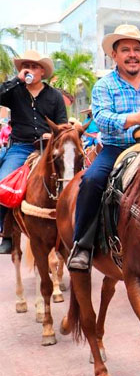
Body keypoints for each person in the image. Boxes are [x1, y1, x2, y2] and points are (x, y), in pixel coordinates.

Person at [66, 24, 140, 271]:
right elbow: (101, 118)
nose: (132, 55)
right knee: (91, 181)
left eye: (136, 50)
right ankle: (83, 245)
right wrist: (132, 119)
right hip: (116, 148)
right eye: (126, 50)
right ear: (114, 56)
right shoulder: (104, 85)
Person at [0, 50, 68, 253]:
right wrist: (16, 80)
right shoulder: (14, 91)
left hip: (49, 147)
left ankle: (73, 228)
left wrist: (53, 136)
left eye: (33, 66)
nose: (28, 69)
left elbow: (63, 124)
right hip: (21, 147)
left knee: (72, 179)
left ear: (42, 71)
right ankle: (8, 234)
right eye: (25, 66)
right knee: (3, 185)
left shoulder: (55, 95)